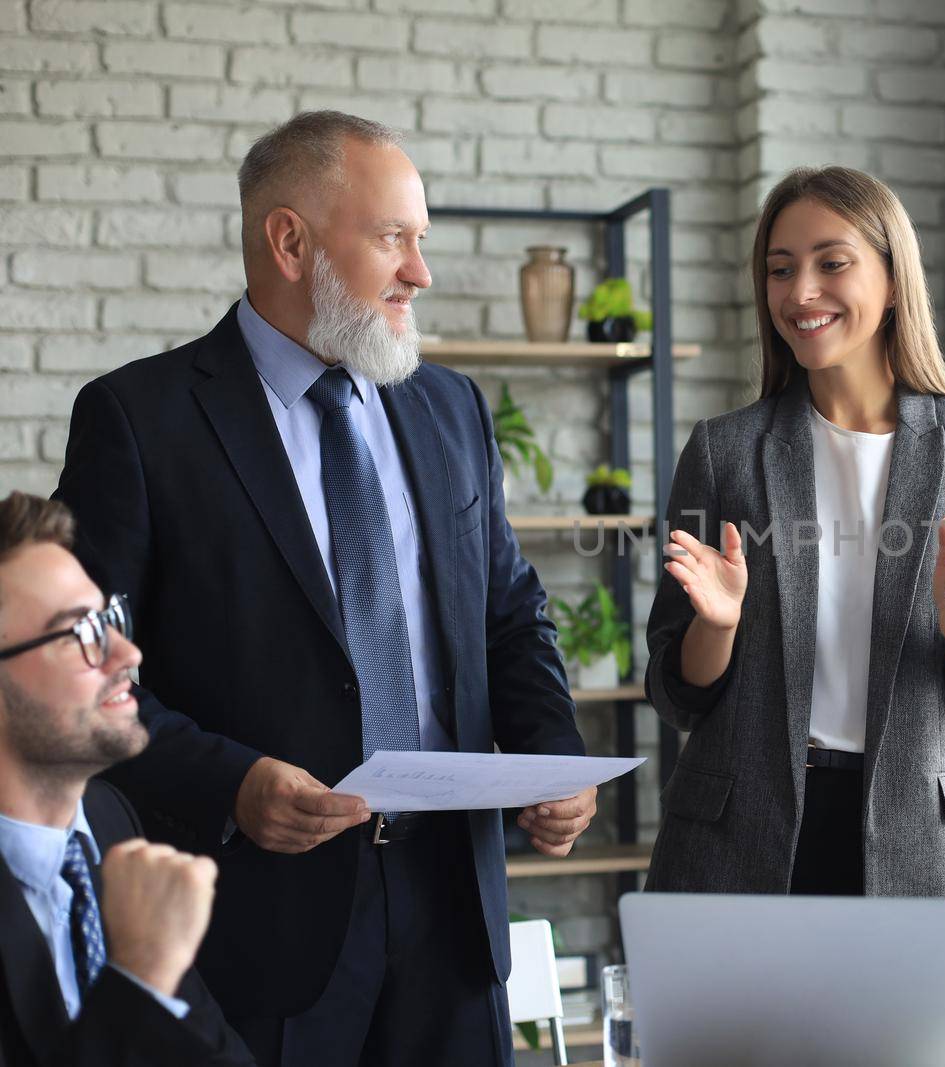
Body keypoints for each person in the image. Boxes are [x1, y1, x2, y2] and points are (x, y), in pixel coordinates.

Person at [52, 111, 596, 1066]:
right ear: (291, 240)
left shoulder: (450, 406)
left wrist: (553, 753)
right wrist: (235, 782)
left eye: (419, 240)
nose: (420, 272)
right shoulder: (138, 420)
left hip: (455, 919)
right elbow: (82, 669)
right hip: (260, 925)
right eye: (394, 238)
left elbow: (509, 612)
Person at [641, 165, 945, 942]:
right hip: (739, 844)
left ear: (893, 280)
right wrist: (718, 627)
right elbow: (675, 692)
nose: (801, 293)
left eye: (832, 262)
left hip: (920, 851)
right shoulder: (725, 453)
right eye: (780, 268)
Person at [0, 491, 252, 1066]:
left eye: (107, 619)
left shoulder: (110, 821)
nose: (126, 654)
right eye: (78, 633)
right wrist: (141, 976)